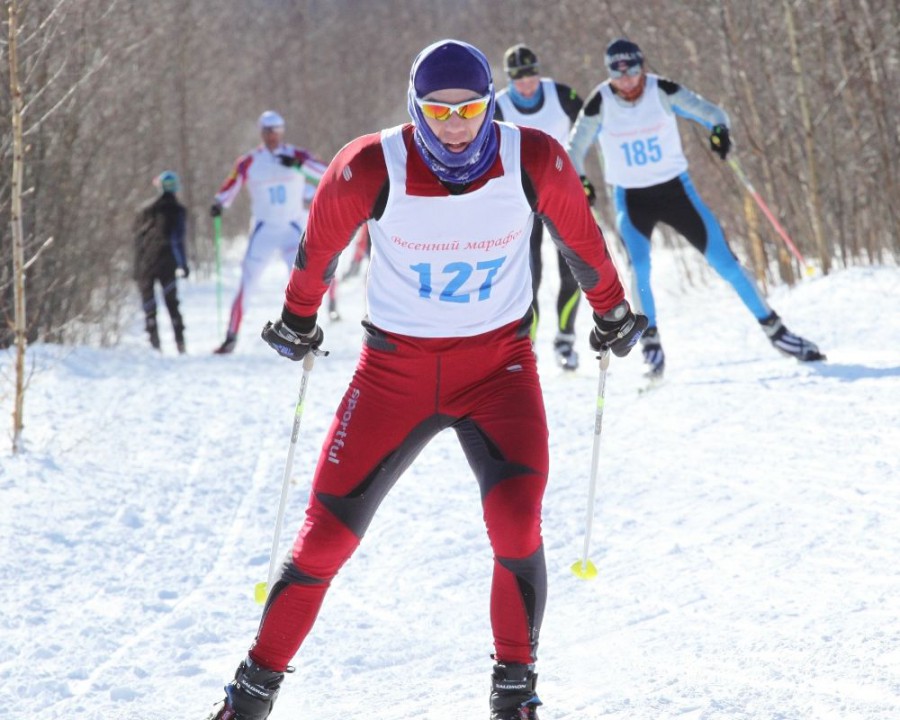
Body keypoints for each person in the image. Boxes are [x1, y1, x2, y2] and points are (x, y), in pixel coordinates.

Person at [208, 39, 646, 720]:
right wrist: (297, 318)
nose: (454, 125)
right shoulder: (368, 165)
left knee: (516, 524)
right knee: (324, 536)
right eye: (436, 112)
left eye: (469, 109)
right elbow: (318, 247)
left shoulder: (532, 158)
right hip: (394, 375)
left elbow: (580, 240)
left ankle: (515, 694)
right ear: (414, 109)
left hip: (497, 370)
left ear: (487, 105)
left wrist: (612, 310)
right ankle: (250, 696)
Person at [567, 38, 824, 379]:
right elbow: (574, 149)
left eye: (632, 69)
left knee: (726, 262)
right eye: (617, 71)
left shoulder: (663, 90)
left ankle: (779, 333)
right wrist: (581, 180)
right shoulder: (600, 101)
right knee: (638, 268)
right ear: (610, 72)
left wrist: (719, 132)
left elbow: (714, 114)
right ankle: (652, 347)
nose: (626, 79)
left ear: (642, 66)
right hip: (632, 198)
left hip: (676, 192)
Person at [494, 43, 586, 370]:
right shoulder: (499, 106)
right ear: (509, 79)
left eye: (531, 75)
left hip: (562, 195)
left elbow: (589, 130)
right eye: (519, 78)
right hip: (523, 202)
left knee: (572, 271)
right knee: (529, 276)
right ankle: (527, 345)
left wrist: (583, 176)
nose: (527, 84)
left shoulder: (562, 96)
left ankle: (565, 339)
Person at [210, 110, 327, 354]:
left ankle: (304, 334)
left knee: (303, 283)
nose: (272, 136)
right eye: (267, 131)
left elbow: (326, 172)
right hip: (264, 229)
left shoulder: (295, 155)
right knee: (247, 283)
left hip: (292, 228)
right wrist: (220, 202)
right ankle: (231, 336)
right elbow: (233, 182)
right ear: (261, 133)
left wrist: (298, 166)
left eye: (276, 131)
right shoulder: (250, 160)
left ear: (282, 132)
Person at [133, 171, 188, 353]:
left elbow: (138, 241)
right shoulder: (178, 211)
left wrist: (136, 266)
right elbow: (177, 240)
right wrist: (183, 264)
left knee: (149, 305)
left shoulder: (145, 210)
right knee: (172, 303)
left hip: (145, 263)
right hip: (168, 262)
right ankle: (180, 343)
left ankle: (155, 344)